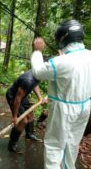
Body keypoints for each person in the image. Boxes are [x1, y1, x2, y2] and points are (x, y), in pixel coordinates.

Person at [31, 20, 91, 169]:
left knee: (54, 146)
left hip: (64, 109)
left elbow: (38, 72)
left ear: (62, 38)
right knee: (72, 143)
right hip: (84, 107)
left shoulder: (60, 62)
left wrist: (37, 51)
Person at [6, 70, 46, 153]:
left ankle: (29, 134)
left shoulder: (38, 73)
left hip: (23, 97)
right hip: (14, 97)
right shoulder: (27, 80)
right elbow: (17, 98)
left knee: (31, 116)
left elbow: (35, 85)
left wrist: (40, 98)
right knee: (23, 121)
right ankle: (12, 144)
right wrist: (15, 116)